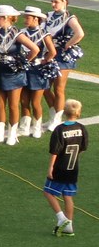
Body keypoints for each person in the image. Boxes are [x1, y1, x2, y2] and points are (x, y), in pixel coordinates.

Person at [0, 5, 38, 147]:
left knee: (13, 105)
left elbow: (35, 49)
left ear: (6, 18)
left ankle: (12, 135)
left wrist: (24, 62)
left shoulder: (17, 34)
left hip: (15, 75)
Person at [45, 99, 88, 238]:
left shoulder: (60, 129)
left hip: (60, 167)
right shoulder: (82, 128)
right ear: (78, 112)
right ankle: (69, 226)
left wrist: (51, 166)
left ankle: (61, 218)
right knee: (68, 196)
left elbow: (55, 151)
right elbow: (83, 148)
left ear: (64, 112)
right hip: (73, 168)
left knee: (48, 192)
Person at [44, 0, 86, 130]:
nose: (53, 5)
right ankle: (53, 115)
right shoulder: (48, 16)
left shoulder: (70, 18)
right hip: (49, 53)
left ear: (65, 2)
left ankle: (56, 120)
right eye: (52, 2)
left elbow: (80, 33)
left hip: (62, 56)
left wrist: (68, 45)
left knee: (59, 88)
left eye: (56, 2)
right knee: (44, 86)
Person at [18, 6, 58, 139]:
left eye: (28, 17)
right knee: (24, 100)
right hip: (24, 69)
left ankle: (37, 127)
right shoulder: (21, 32)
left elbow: (53, 52)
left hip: (37, 71)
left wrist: (44, 61)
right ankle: (24, 126)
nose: (25, 20)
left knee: (35, 102)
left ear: (36, 19)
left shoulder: (43, 34)